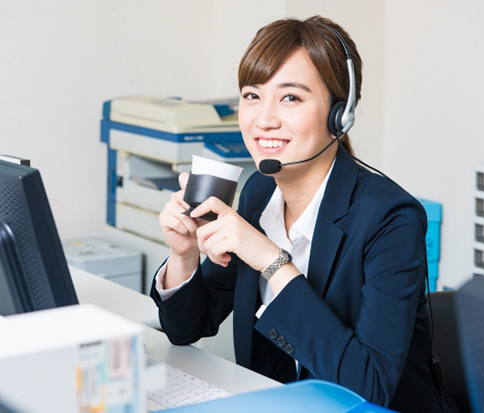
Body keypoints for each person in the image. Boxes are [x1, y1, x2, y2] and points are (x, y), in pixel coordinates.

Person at [151, 15, 457, 412]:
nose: (264, 119)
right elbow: (185, 328)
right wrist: (183, 256)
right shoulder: (260, 192)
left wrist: (270, 260)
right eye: (252, 95)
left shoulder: (390, 218)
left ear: (340, 114)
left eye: (290, 97)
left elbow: (370, 386)